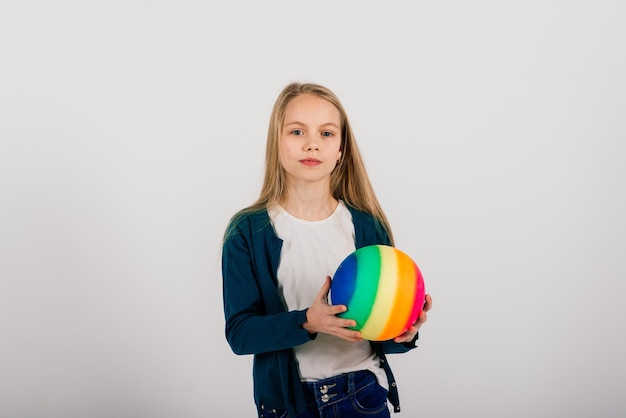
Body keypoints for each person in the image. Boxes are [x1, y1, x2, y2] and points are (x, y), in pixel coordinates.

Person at [222, 82, 432, 418]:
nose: (312, 144)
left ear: (341, 151)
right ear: (276, 143)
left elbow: (382, 336)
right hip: (290, 406)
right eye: (296, 131)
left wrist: (404, 330)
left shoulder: (367, 226)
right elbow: (240, 335)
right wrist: (308, 321)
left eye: (327, 134)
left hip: (363, 396)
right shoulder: (247, 231)